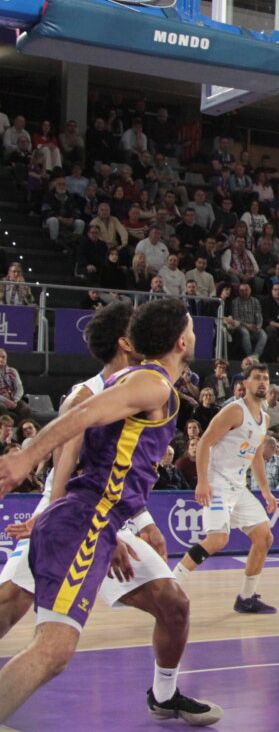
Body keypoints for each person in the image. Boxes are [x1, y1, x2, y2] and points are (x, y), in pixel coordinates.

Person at [0, 298, 222, 725]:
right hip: (83, 519)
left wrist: (130, 524)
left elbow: (116, 463)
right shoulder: (152, 384)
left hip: (100, 522)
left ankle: (165, 695)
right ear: (181, 340)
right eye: (192, 326)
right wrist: (26, 459)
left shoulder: (147, 383)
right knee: (50, 648)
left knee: (171, 604)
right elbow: (81, 416)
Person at [170, 362, 279, 614]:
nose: (262, 382)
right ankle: (171, 585)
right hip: (217, 483)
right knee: (218, 539)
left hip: (238, 487)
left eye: (266, 378)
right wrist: (203, 481)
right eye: (257, 378)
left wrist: (265, 491)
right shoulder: (234, 411)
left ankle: (246, 597)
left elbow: (254, 456)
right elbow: (205, 441)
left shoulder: (265, 419)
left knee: (264, 537)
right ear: (245, 384)